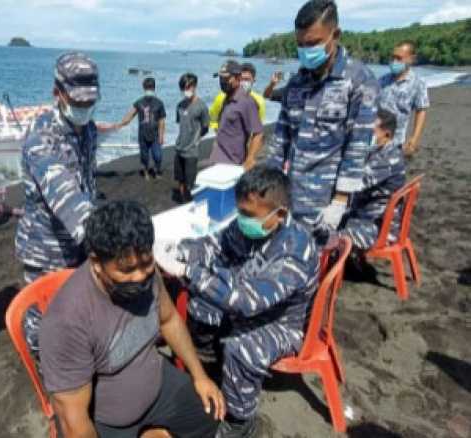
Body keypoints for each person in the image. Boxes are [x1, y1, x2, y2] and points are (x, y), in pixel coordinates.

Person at [155, 166, 319, 438]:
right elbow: (214, 244)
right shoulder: (249, 226)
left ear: (279, 214)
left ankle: (241, 421)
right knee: (200, 303)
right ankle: (210, 366)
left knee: (242, 348)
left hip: (279, 322)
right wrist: (177, 249)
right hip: (245, 294)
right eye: (240, 211)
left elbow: (246, 302)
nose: (242, 220)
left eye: (249, 215)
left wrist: (188, 271)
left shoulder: (296, 249)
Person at [39, 201, 224, 437]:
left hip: (158, 384)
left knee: (211, 415)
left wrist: (200, 376)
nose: (138, 277)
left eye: (145, 264)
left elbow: (169, 321)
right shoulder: (66, 323)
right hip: (108, 420)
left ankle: (154, 430)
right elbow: (74, 421)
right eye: (126, 271)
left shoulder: (146, 270)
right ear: (96, 263)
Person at [265, 0, 379, 234]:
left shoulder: (359, 81)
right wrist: (268, 184)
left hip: (328, 202)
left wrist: (339, 201)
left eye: (313, 43)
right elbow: (281, 138)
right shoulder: (296, 83)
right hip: (291, 195)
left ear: (335, 35)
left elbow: (357, 146)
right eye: (300, 45)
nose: (306, 51)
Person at [15, 52, 101, 284]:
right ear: (58, 93)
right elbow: (65, 194)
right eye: (77, 102)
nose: (84, 107)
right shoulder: (41, 137)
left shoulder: (88, 129)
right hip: (47, 253)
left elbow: (86, 181)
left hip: (81, 247)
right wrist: (106, 238)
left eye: (90, 102)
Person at [337, 108, 406, 251]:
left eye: (372, 130)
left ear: (386, 134)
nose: (367, 134)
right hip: (369, 216)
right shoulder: (383, 151)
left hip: (377, 228)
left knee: (327, 234)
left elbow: (354, 183)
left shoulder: (387, 158)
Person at [210, 60, 264, 170]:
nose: (222, 82)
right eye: (220, 78)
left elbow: (258, 133)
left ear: (238, 78)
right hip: (218, 158)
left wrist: (250, 159)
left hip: (233, 163)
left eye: (226, 78)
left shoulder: (246, 101)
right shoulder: (227, 98)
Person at [378, 41, 430, 157]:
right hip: (376, 139)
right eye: (393, 57)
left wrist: (414, 138)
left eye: (399, 58)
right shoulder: (382, 80)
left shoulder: (417, 83)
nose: (394, 62)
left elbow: (421, 110)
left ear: (411, 59)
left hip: (396, 143)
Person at [115, 77, 167, 179]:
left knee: (158, 156)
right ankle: (146, 172)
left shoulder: (159, 103)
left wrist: (161, 136)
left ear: (154, 88)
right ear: (144, 88)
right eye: (148, 87)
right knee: (144, 156)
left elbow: (162, 121)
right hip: (142, 135)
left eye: (150, 87)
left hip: (155, 135)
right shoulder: (139, 102)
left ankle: (157, 171)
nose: (149, 89)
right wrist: (119, 124)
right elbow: (130, 115)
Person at [174, 73, 210, 203]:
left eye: (188, 87)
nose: (186, 91)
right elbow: (181, 124)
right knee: (180, 179)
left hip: (192, 150)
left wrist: (196, 139)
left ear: (195, 86)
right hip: (179, 148)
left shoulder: (202, 106)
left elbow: (206, 127)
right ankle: (184, 201)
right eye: (183, 88)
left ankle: (190, 202)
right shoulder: (179, 106)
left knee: (190, 181)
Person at [209, 62, 266, 131]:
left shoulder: (259, 101)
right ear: (237, 78)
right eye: (241, 79)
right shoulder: (221, 97)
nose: (243, 82)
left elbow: (259, 127)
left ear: (254, 81)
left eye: (247, 79)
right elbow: (212, 120)